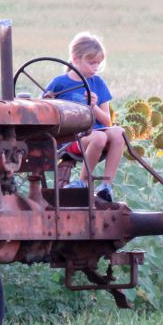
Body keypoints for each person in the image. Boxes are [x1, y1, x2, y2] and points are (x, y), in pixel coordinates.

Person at [44, 32, 125, 202]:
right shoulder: (59, 83)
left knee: (118, 132)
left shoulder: (98, 83)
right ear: (75, 58)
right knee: (99, 137)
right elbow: (43, 110)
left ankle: (106, 186)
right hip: (71, 138)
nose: (95, 67)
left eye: (98, 63)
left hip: (95, 132)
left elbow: (106, 121)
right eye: (91, 62)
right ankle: (83, 182)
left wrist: (93, 107)